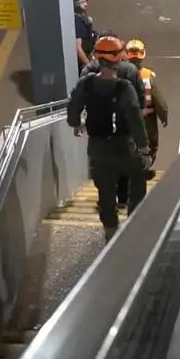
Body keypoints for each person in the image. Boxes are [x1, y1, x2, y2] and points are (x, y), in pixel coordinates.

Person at [68, 36, 151, 242]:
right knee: (138, 178)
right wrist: (144, 149)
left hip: (97, 147)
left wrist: (76, 123)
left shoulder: (86, 83)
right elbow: (135, 119)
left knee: (105, 190)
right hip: (124, 145)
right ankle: (134, 222)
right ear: (119, 57)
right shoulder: (124, 87)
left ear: (96, 55)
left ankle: (111, 230)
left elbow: (73, 107)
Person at [78, 32, 147, 208]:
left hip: (98, 133)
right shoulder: (130, 70)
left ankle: (108, 205)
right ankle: (124, 200)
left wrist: (77, 121)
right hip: (125, 131)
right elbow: (139, 102)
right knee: (127, 164)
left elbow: (79, 99)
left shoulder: (88, 72)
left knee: (102, 169)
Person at [124, 39, 170, 181]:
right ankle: (143, 170)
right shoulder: (148, 75)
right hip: (147, 119)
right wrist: (164, 115)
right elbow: (157, 99)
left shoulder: (119, 72)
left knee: (128, 145)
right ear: (143, 55)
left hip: (125, 118)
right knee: (150, 145)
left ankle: (129, 173)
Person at [74, 0, 96, 73]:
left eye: (86, 1)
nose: (86, 4)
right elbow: (78, 48)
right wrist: (89, 67)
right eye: (82, 1)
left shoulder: (83, 19)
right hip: (82, 65)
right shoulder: (77, 21)